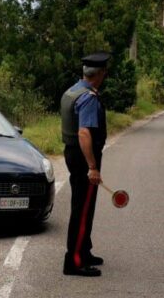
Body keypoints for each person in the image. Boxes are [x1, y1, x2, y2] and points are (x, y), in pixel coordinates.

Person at [61, 52, 111, 277]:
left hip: (72, 153)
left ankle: (84, 251)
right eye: (104, 73)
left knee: (85, 206)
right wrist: (92, 167)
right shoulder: (89, 98)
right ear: (99, 74)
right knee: (82, 209)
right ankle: (75, 261)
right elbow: (84, 132)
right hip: (84, 157)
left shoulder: (72, 91)